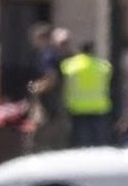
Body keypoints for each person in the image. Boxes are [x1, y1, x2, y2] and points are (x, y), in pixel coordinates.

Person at [26, 23, 70, 153]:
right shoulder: (54, 54)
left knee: (40, 137)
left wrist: (36, 88)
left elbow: (52, 78)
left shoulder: (47, 56)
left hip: (48, 103)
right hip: (55, 101)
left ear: (42, 38)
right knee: (55, 137)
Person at [62, 41, 113, 148]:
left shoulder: (70, 65)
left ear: (79, 51)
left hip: (78, 107)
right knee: (99, 140)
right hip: (99, 106)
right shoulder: (103, 66)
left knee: (82, 140)